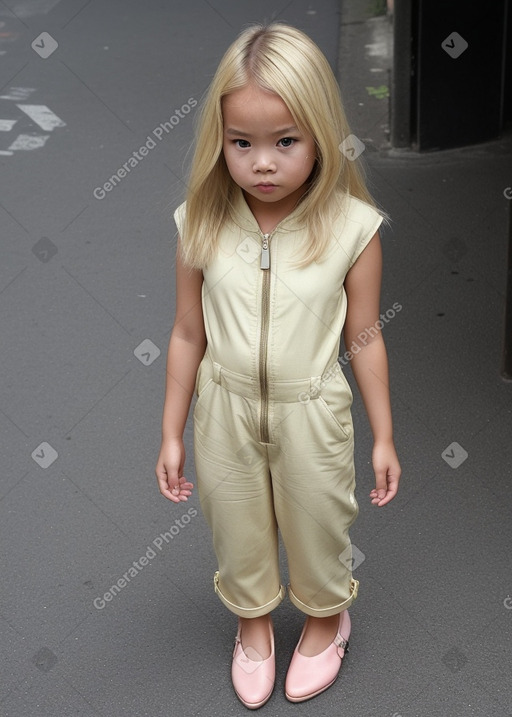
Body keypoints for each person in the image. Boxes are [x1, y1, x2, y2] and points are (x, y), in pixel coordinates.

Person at [155, 22, 401, 710]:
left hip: (312, 409)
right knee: (236, 526)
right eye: (242, 143)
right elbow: (183, 332)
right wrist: (172, 430)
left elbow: (366, 337)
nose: (262, 162)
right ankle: (254, 622)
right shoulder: (198, 222)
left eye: (285, 141)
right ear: (221, 141)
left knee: (320, 524)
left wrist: (383, 434)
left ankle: (327, 617)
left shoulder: (352, 227)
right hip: (224, 409)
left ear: (321, 134)